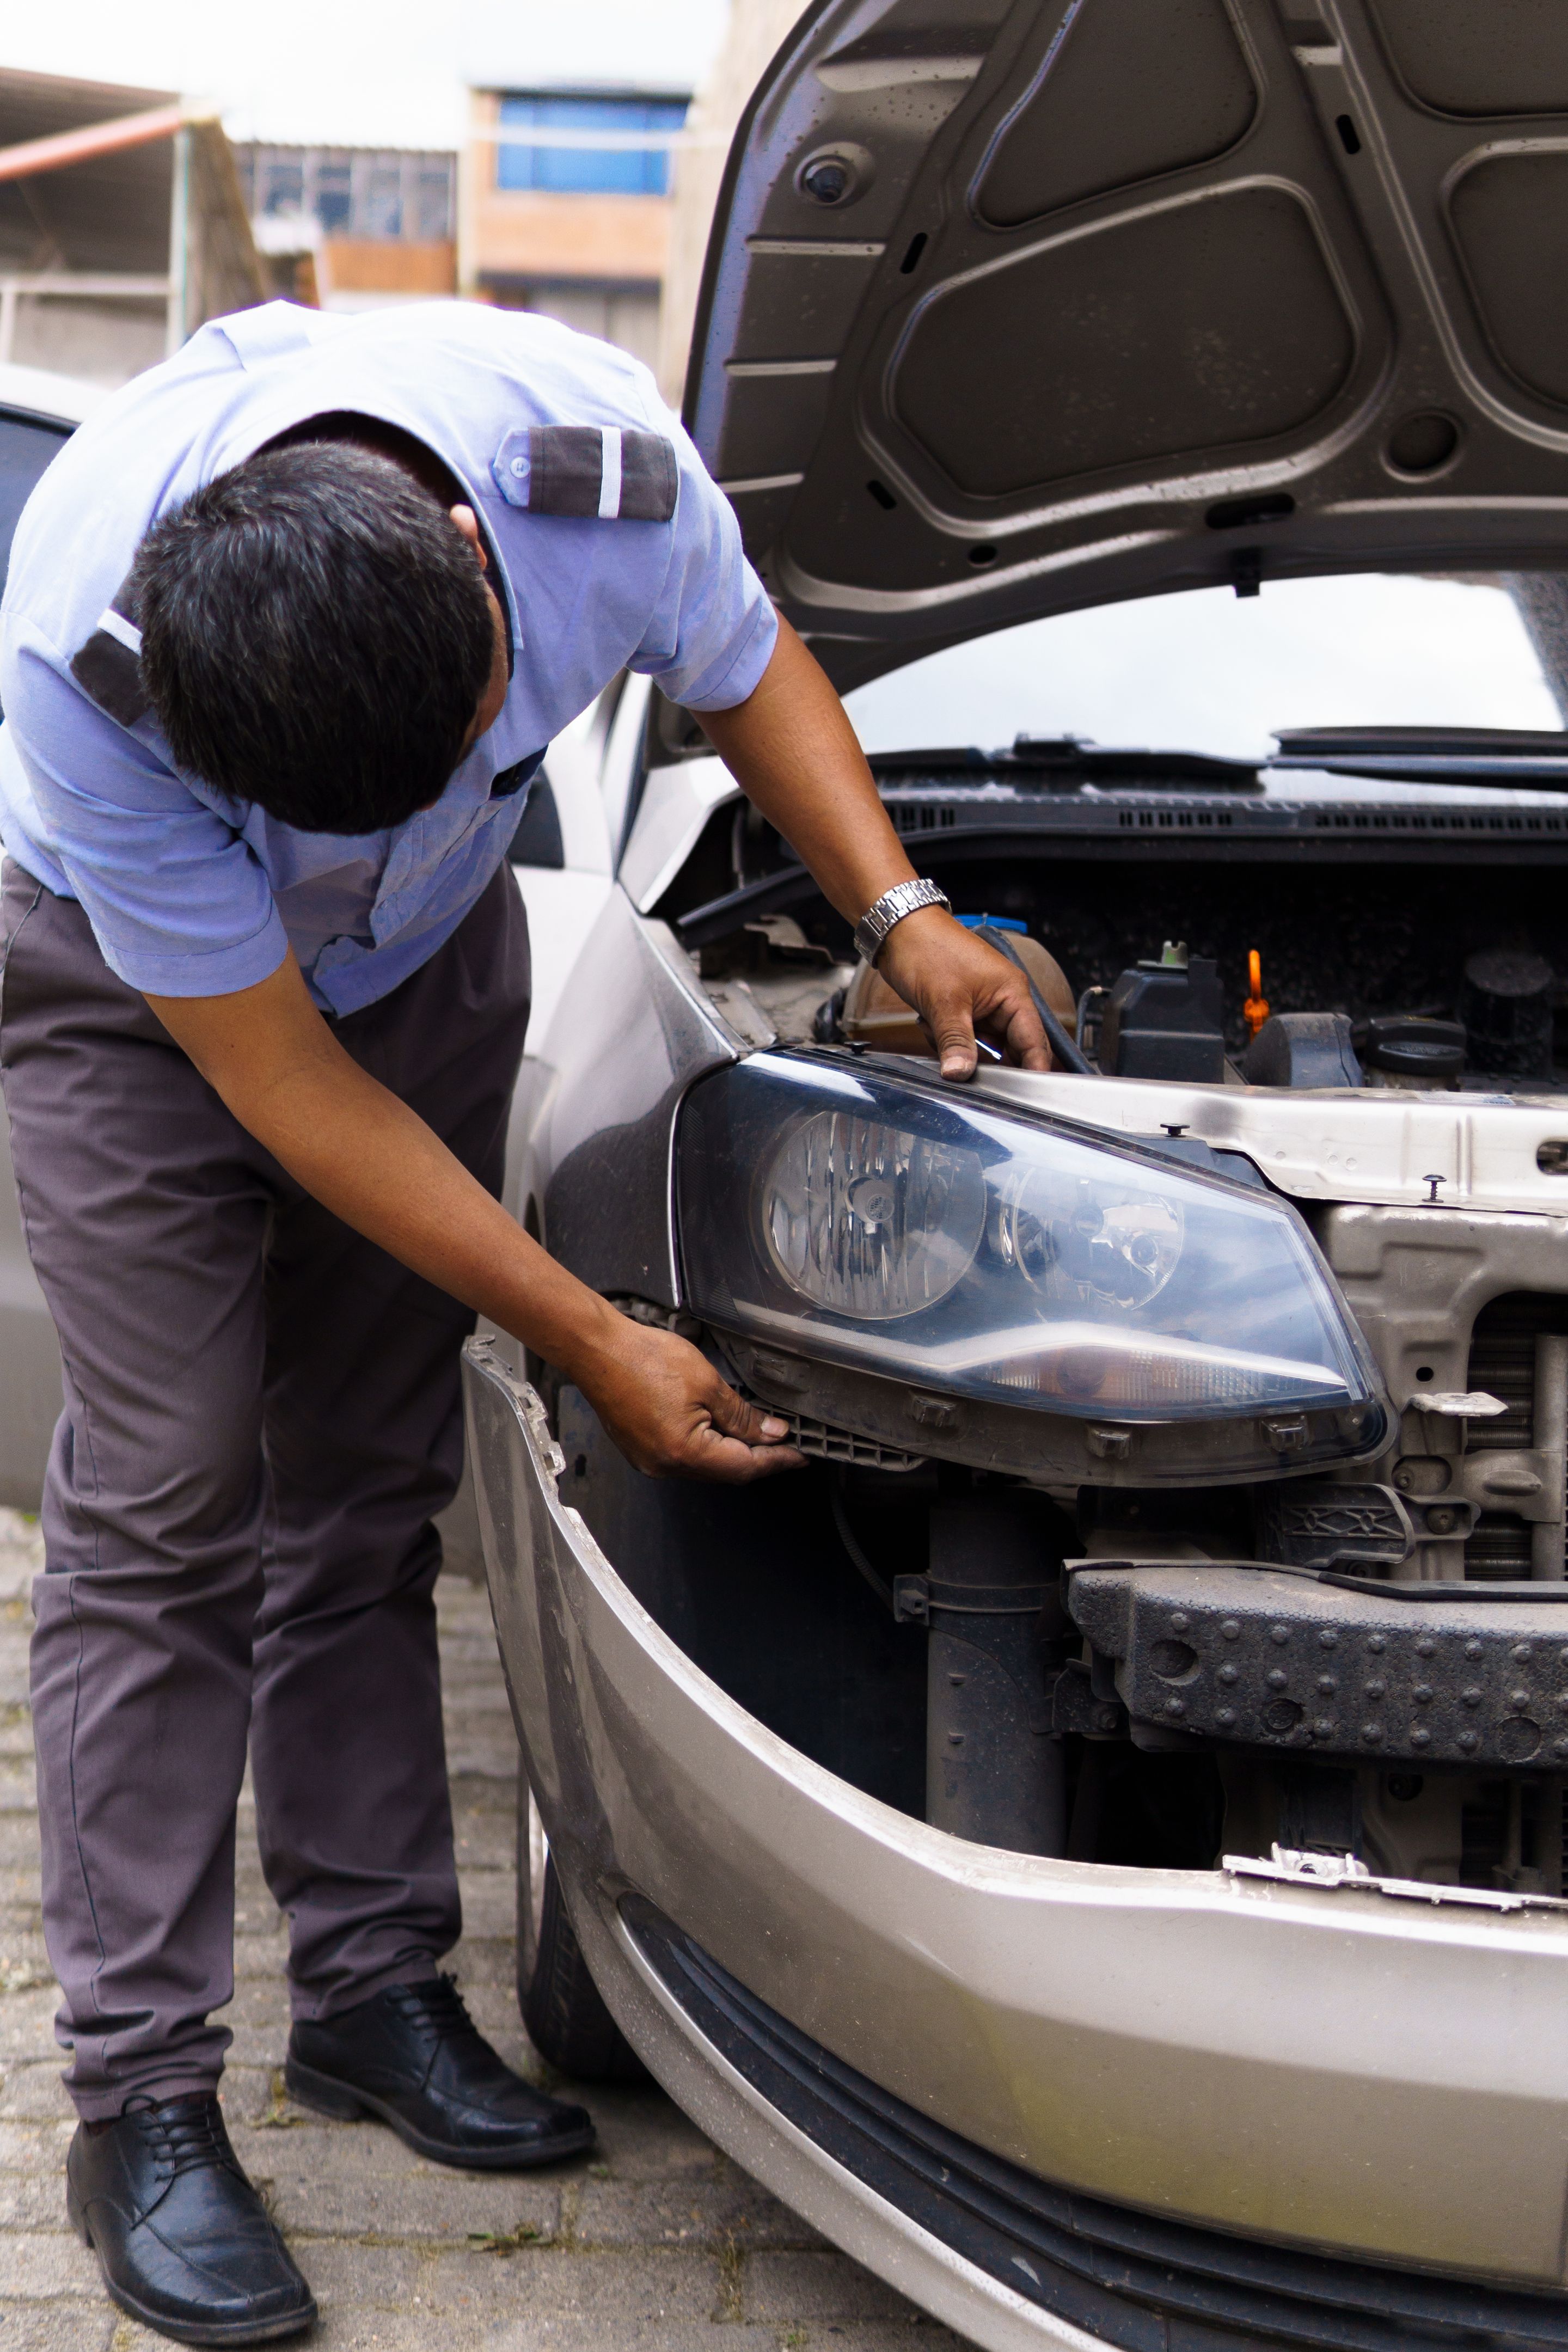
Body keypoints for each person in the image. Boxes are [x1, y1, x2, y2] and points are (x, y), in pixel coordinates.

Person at [0, 298, 1047, 2345]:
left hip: (439, 943)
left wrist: (902, 913)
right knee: (170, 1494)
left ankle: (374, 1988)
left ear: (483, 563)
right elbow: (292, 1092)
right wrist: (587, 1334)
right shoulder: (88, 664)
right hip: (144, 1005)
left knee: (372, 1484)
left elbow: (751, 679)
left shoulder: (594, 480)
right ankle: (134, 2096)